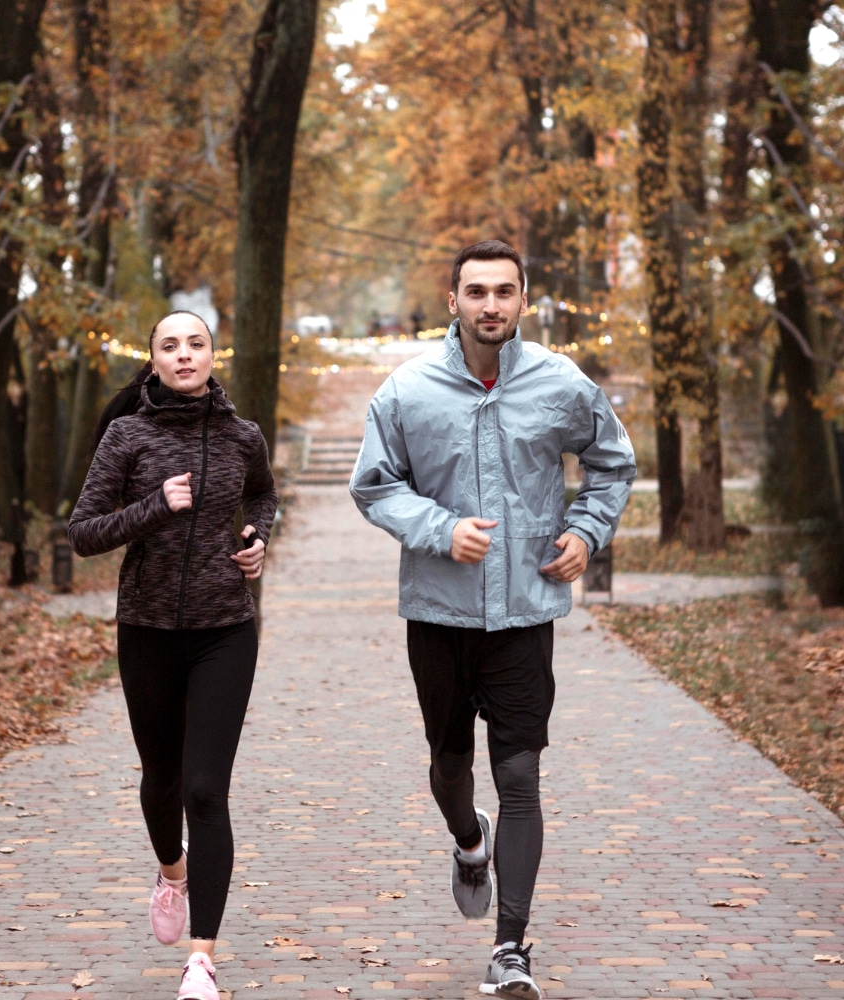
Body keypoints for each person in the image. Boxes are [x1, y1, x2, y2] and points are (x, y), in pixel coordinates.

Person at [350, 240, 635, 1000]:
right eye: (476, 291)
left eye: (504, 291)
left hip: (523, 615)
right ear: (453, 300)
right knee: (450, 766)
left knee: (521, 775)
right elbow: (373, 486)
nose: (491, 305)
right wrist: (441, 529)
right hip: (438, 614)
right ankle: (467, 841)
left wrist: (585, 531)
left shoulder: (560, 383)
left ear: (523, 298)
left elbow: (612, 463)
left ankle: (512, 947)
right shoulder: (407, 392)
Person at [69, 310, 277, 1000]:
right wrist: (155, 506)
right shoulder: (127, 435)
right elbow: (84, 534)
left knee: (204, 789)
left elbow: (263, 495)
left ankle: (201, 960)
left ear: (214, 355)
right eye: (170, 346)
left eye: (196, 344)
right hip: (148, 631)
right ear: (152, 360)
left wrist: (256, 538)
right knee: (160, 779)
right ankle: (171, 872)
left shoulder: (243, 436)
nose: (184, 355)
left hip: (226, 629)